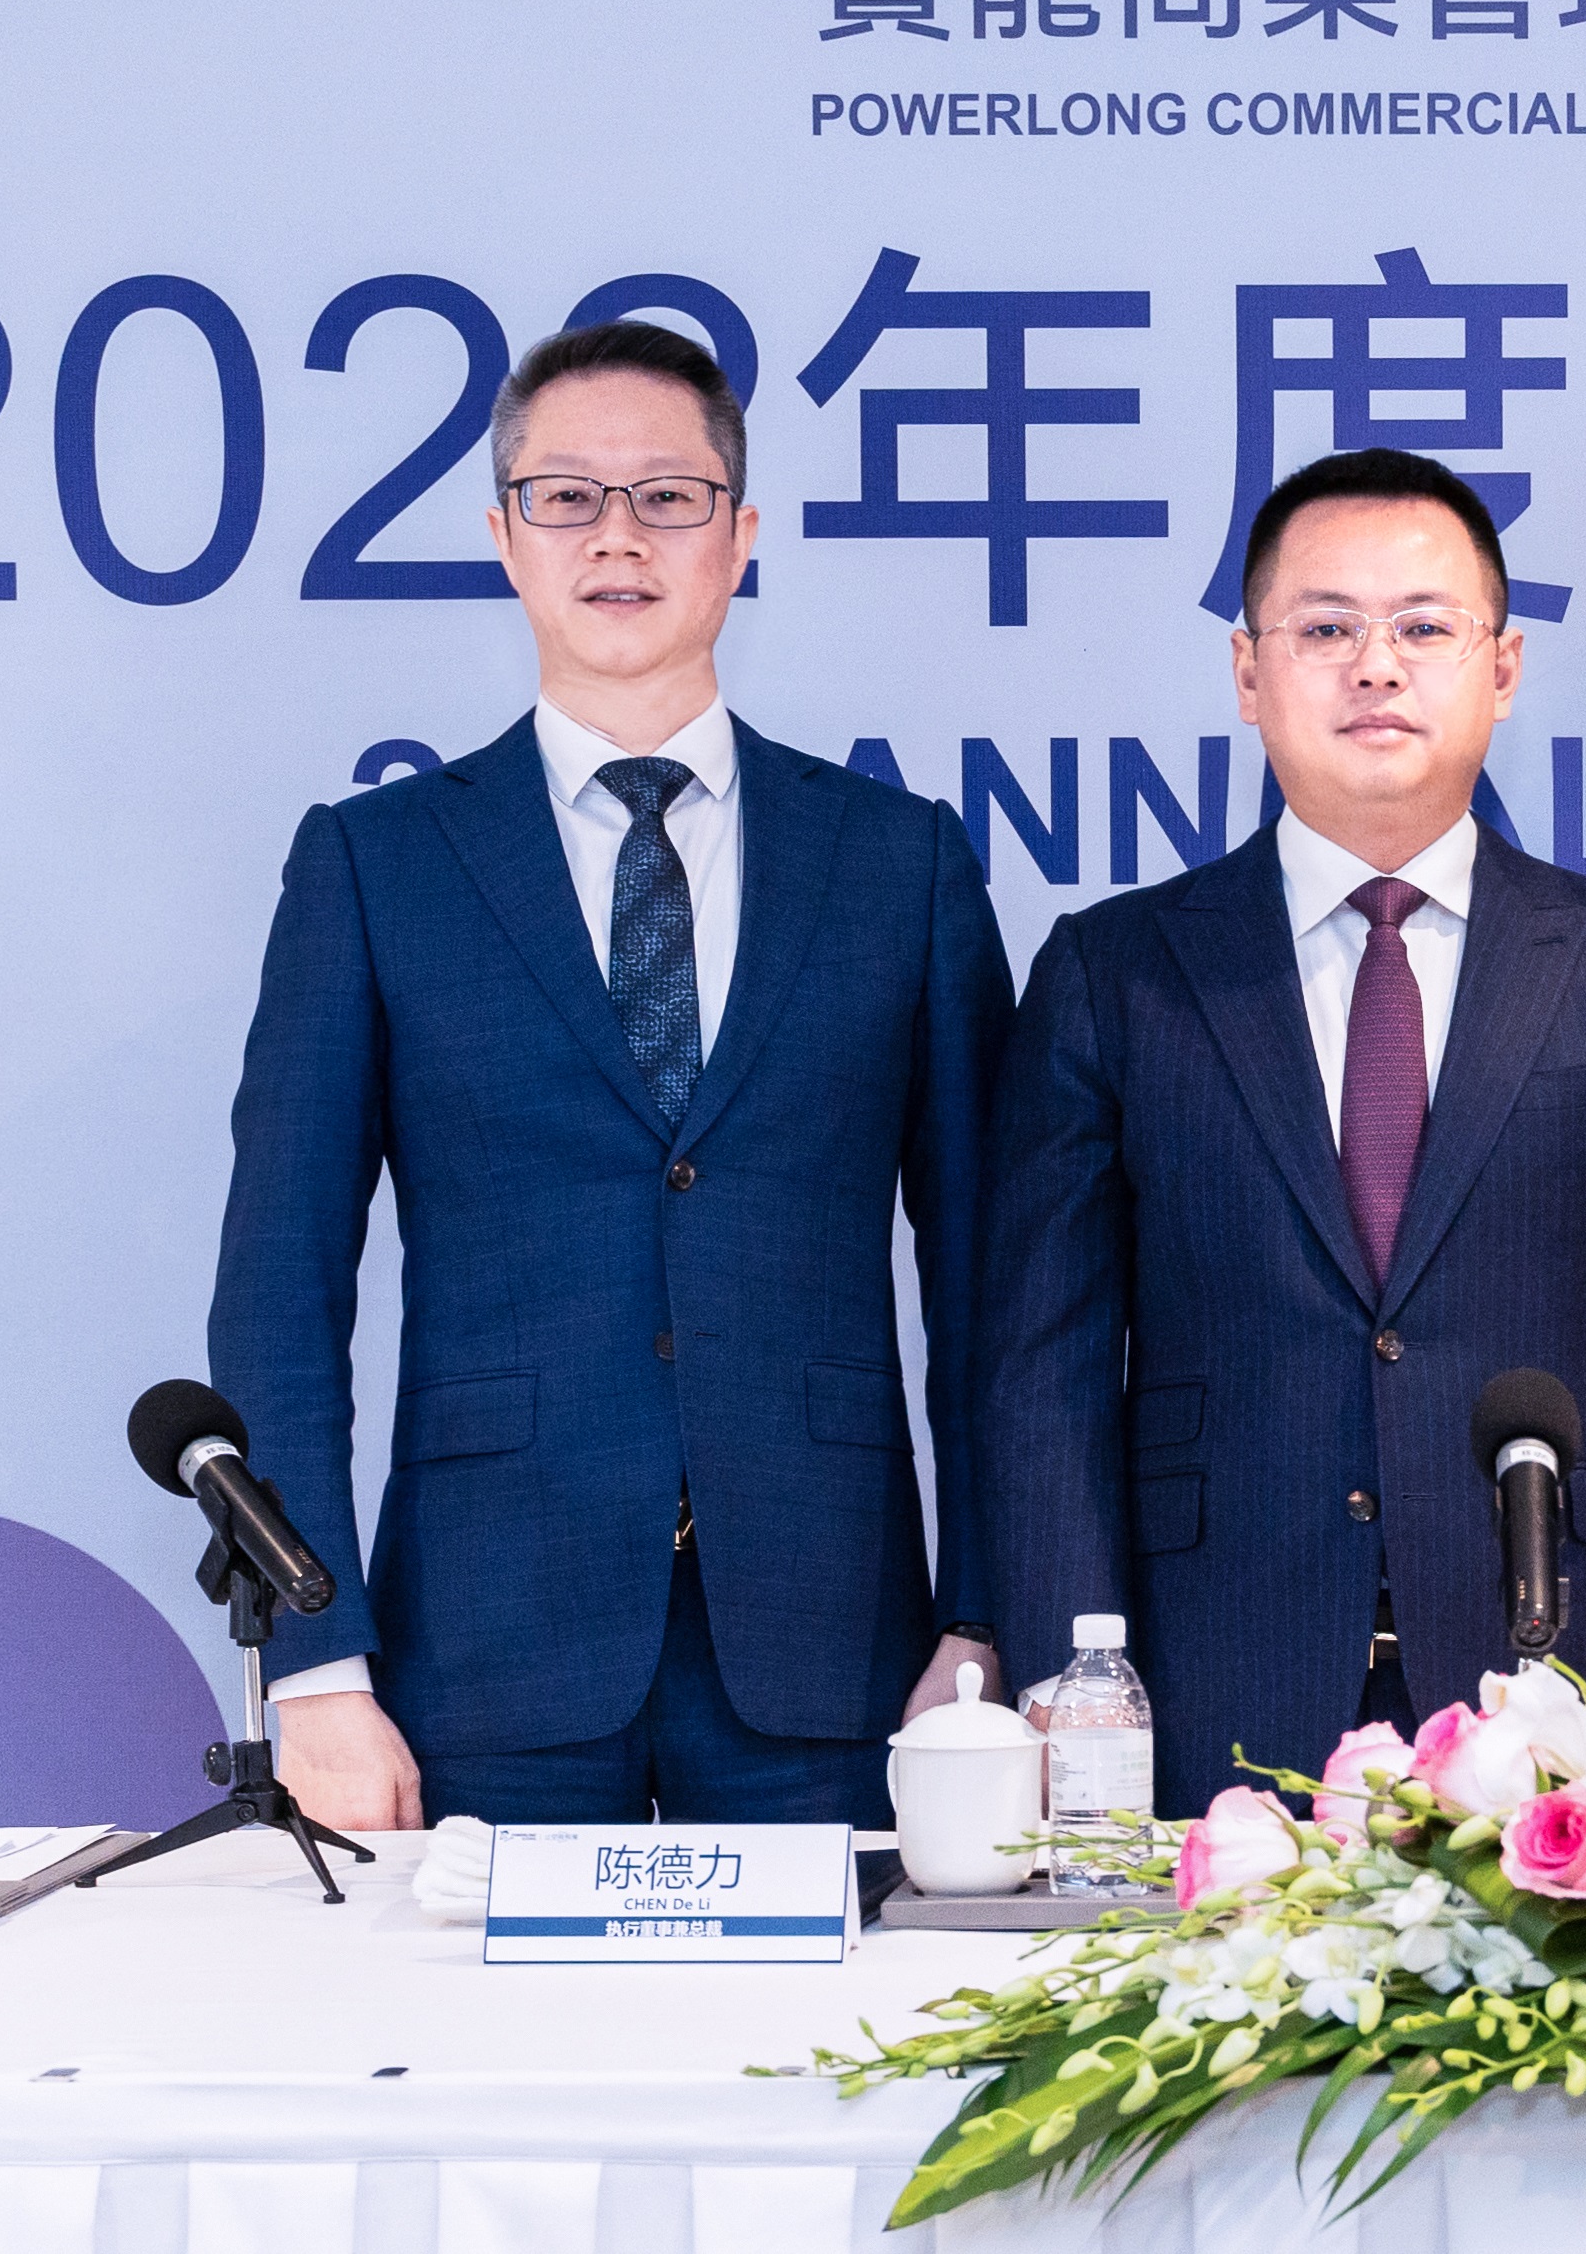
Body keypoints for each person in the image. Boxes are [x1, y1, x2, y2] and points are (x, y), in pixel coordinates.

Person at [207, 321, 1014, 1831]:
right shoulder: (379, 865)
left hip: (839, 1648)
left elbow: (991, 1285)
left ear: (742, 536)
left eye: (668, 497)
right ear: (503, 537)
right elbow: (279, 1286)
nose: (618, 537)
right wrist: (313, 1669)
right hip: (484, 1646)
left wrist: (983, 1620)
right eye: (568, 497)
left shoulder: (894, 863)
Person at [978, 447, 1586, 1818]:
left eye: (1423, 629)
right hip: (1210, 1671)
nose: (1375, 669)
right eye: (1326, 629)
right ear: (1248, 672)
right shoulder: (1116, 973)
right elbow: (1044, 1369)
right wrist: (1071, 1690)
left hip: (1559, 1683)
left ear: (1502, 668)